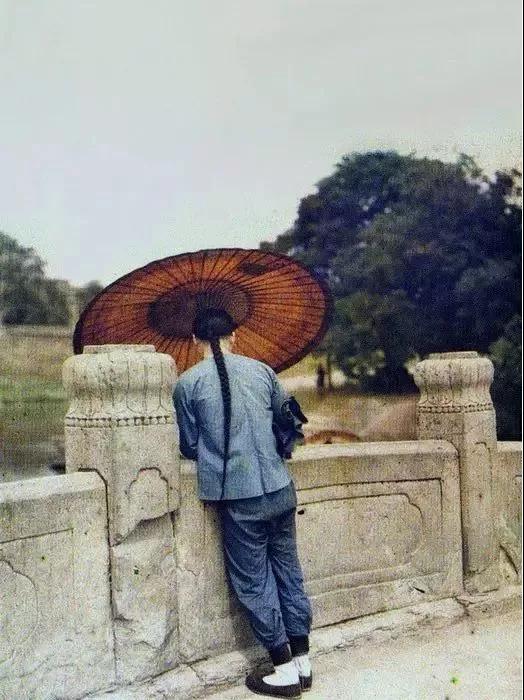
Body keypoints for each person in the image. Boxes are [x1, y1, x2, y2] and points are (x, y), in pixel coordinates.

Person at [173, 307, 313, 699]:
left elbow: (189, 445)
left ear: (195, 341)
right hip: (280, 490)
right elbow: (288, 422)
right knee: (289, 572)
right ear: (233, 336)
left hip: (239, 498)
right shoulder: (263, 371)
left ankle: (283, 670)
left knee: (253, 582)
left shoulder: (186, 384)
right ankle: (304, 662)